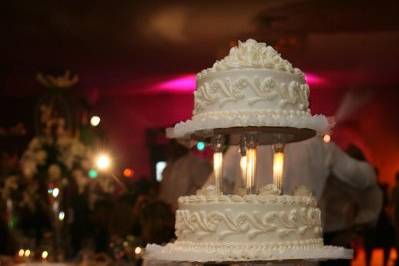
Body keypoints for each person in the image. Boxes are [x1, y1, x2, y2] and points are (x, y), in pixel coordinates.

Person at [159, 140, 212, 211]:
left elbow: (208, 190)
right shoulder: (168, 167)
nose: (173, 147)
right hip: (169, 216)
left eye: (176, 143)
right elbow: (164, 194)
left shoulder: (196, 163)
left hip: (189, 214)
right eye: (172, 143)